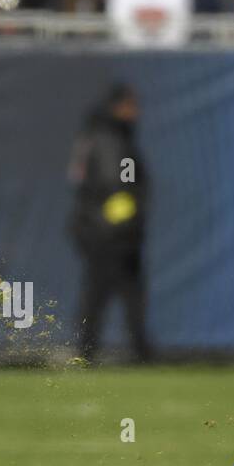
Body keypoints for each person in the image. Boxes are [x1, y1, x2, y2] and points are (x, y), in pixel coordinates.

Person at [68, 84, 151, 363]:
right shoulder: (112, 141)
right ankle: (95, 350)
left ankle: (130, 349)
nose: (135, 113)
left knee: (111, 293)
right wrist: (123, 223)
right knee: (104, 293)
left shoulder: (94, 136)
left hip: (96, 228)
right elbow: (117, 185)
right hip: (110, 233)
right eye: (131, 106)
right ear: (118, 107)